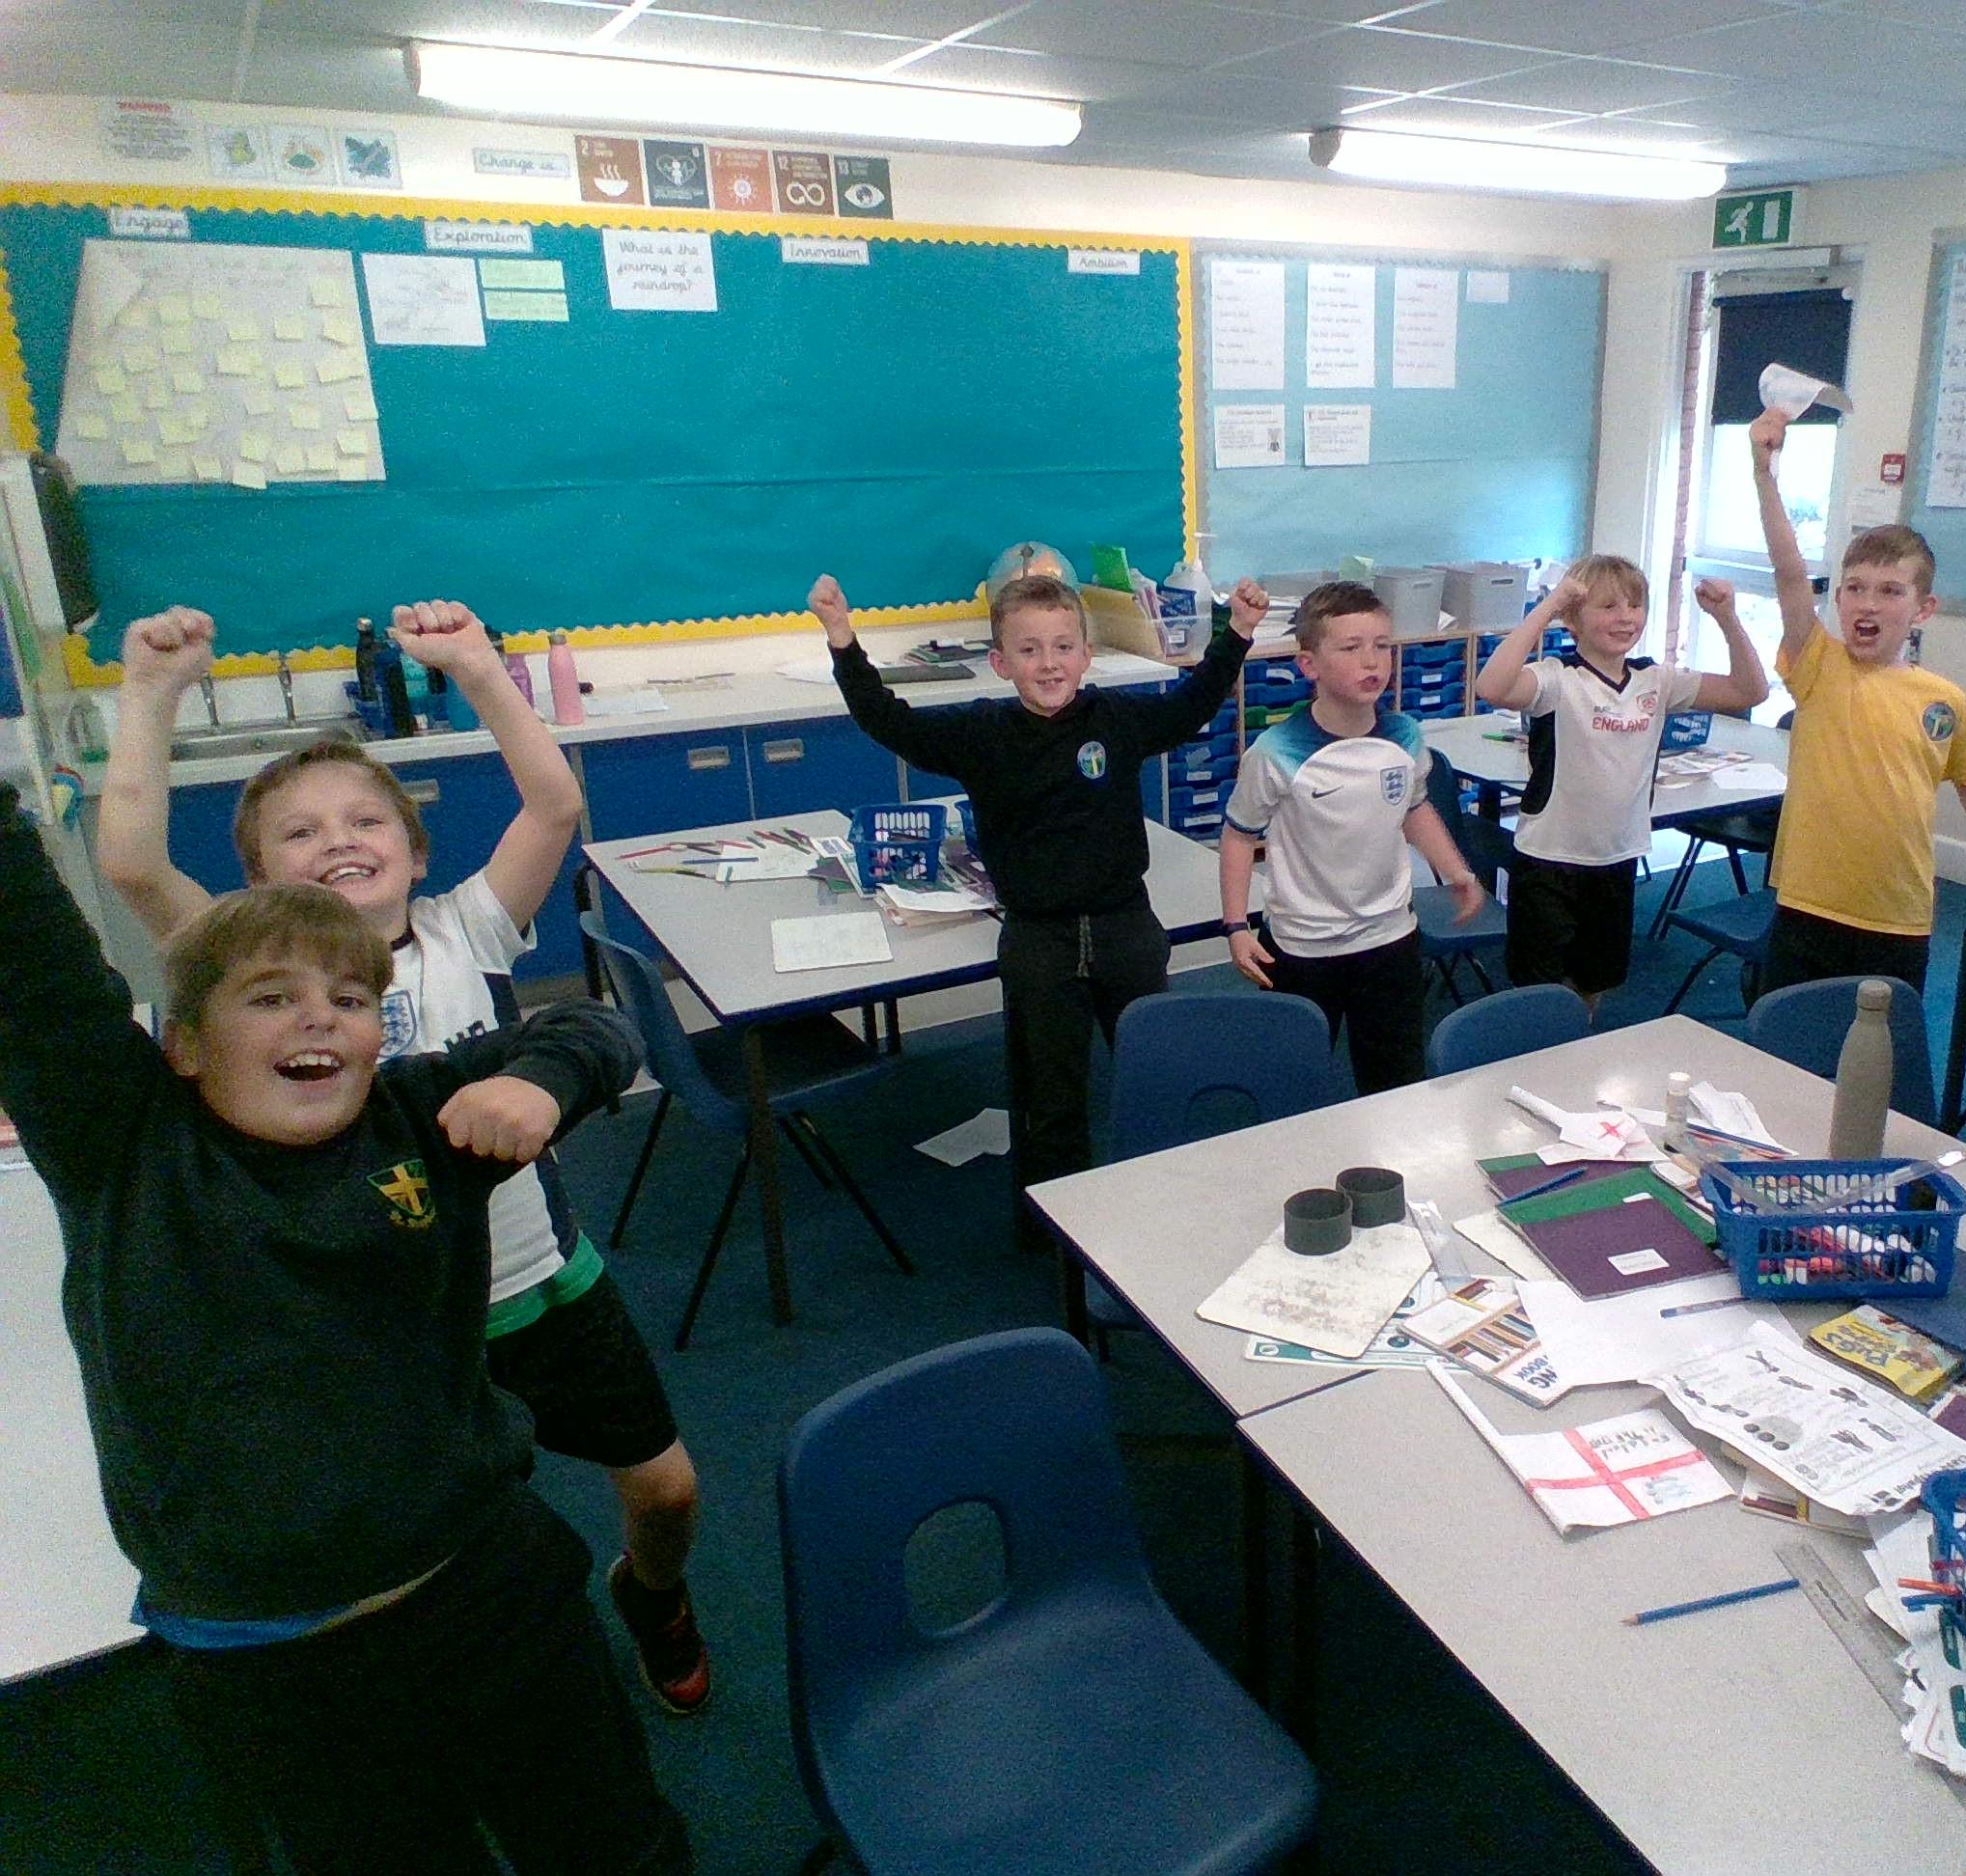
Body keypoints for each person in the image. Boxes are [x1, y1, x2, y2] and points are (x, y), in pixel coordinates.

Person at [0, 780, 685, 1874]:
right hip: (279, 1662)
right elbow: (31, 966)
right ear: (184, 1045)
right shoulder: (126, 1148)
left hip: (489, 1591)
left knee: (615, 1847)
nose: (319, 1017)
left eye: (351, 999)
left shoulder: (413, 1116)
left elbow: (594, 1023)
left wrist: (543, 1083)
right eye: (270, 998)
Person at [96, 602, 711, 1714]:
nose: (337, 839)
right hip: (391, 1328)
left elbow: (554, 803)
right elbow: (134, 866)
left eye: (365, 819)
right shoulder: (245, 976)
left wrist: (476, 667)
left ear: (414, 851)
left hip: (539, 1287)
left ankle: (653, 1596)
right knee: (457, 1549)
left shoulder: (467, 928)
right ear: (255, 884)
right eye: (299, 832)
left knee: (667, 1490)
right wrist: (147, 698)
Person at [810, 568, 1265, 1238]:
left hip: (1125, 928)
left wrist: (1239, 632)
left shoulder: (1117, 720)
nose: (1048, 663)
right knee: (1047, 1101)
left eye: (1062, 647)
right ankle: (1056, 1236)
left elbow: (1194, 703)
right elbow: (889, 721)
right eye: (1029, 650)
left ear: (1086, 656)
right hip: (1037, 941)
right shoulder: (982, 732)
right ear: (1001, 663)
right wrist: (842, 638)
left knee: (1153, 1073)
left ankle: (1167, 1212)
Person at [1748, 406, 1966, 997]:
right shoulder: (1817, 666)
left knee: (1884, 1044)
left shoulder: (1945, 701)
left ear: (1923, 609)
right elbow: (1789, 573)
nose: (1868, 604)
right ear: (1839, 599)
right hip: (1809, 904)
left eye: (1890, 592)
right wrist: (1764, 474)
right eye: (1855, 589)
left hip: (1898, 915)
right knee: (1790, 1037)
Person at [1219, 581, 1483, 1093]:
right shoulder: (1275, 752)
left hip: (1389, 938)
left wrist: (1456, 872)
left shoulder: (1404, 735)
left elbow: (1414, 807)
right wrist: (1235, 926)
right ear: (1309, 665)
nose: (1372, 661)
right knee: (1294, 1084)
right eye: (1350, 648)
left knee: (1396, 1084)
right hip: (1302, 946)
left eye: (1382, 646)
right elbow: (1238, 835)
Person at [1475, 553, 1770, 1012]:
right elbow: (1491, 687)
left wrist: (1727, 618)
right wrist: (1548, 606)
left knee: (1594, 982)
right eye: (1609, 606)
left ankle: (1583, 1042)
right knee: (1539, 990)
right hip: (1550, 858)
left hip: (1616, 856)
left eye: (1635, 605)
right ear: (1573, 618)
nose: (1626, 617)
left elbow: (1750, 691)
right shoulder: (1557, 678)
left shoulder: (1655, 680)